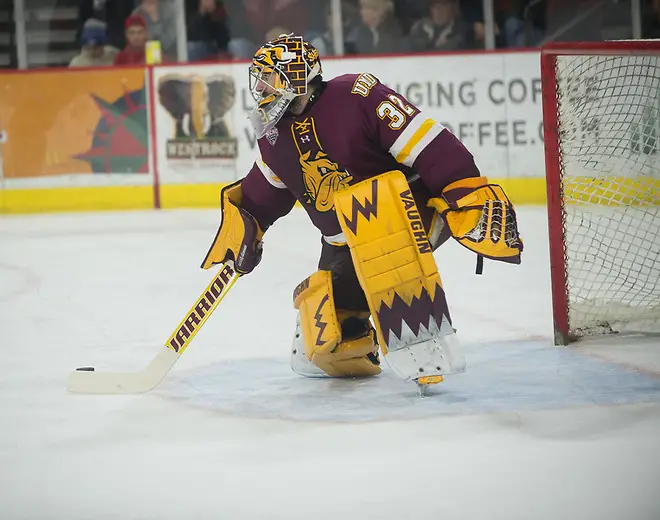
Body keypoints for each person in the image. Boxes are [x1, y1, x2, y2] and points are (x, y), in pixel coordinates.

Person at [201, 34, 523, 391]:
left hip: (405, 215)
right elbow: (265, 191)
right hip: (342, 241)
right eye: (259, 79)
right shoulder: (273, 135)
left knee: (384, 244)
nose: (261, 88)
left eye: (271, 78)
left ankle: (423, 342)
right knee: (331, 348)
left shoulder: (358, 96)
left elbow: (430, 144)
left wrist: (464, 188)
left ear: (298, 77)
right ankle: (360, 337)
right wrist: (245, 223)